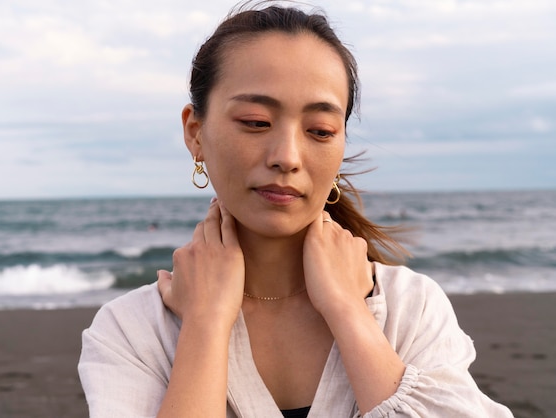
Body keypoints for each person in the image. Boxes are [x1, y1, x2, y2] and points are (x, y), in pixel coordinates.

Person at [78, 3, 514, 417]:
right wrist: (206, 324)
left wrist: (347, 310)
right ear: (195, 132)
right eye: (255, 122)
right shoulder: (131, 330)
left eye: (320, 130)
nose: (287, 156)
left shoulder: (408, 308)